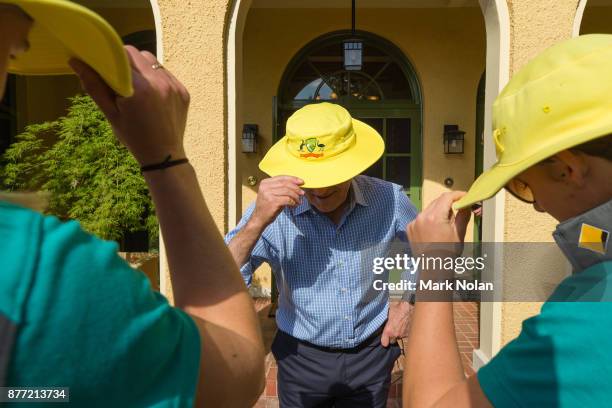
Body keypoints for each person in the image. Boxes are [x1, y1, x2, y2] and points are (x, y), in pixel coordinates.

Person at [0, 1, 265, 406]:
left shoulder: (390, 203)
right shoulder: (39, 270)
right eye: (14, 49)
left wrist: (400, 306)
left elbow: (396, 275)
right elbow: (237, 368)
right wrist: (168, 158)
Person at [402, 34, 612, 407]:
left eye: (523, 185)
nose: (538, 208)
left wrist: (434, 264)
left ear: (568, 169)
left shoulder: (591, 320)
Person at [226, 102, 418, 407]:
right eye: (310, 180)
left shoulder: (389, 199)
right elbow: (223, 277)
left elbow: (431, 252)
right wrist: (256, 222)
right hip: (301, 358)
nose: (319, 191)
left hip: (371, 353)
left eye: (330, 180)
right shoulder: (269, 212)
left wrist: (406, 302)